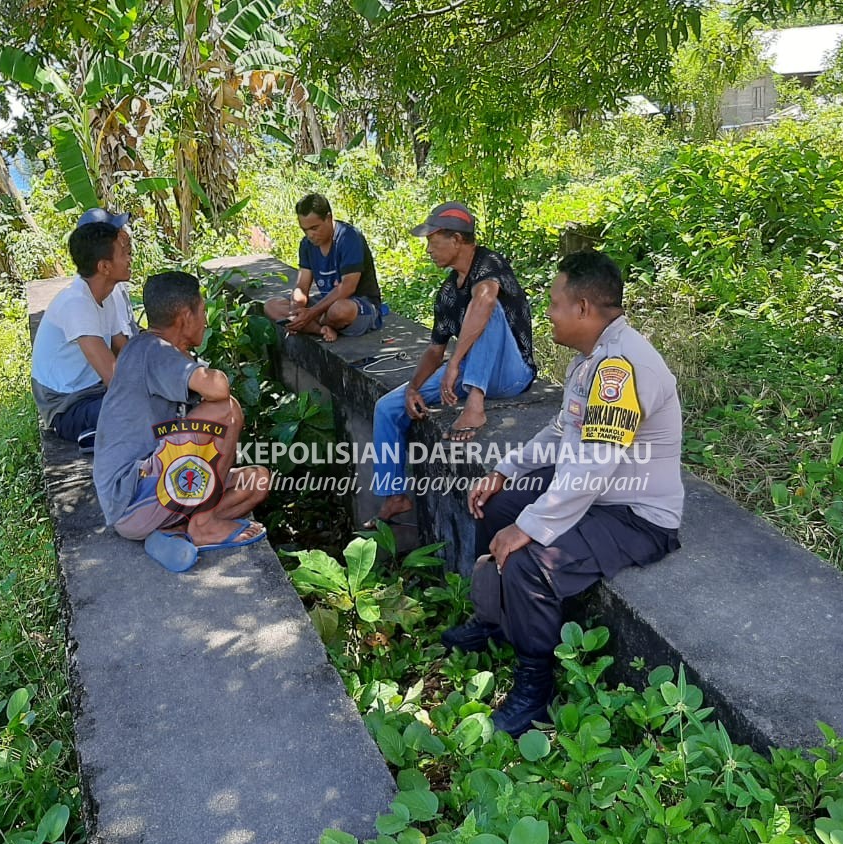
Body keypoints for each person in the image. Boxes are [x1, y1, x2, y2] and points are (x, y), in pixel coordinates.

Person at [448, 251, 684, 736]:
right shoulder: (592, 361)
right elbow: (562, 432)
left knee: (530, 559)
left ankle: (535, 687)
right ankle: (496, 619)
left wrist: (529, 526)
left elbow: (595, 468)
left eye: (554, 304)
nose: (546, 313)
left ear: (582, 308)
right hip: (595, 495)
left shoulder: (622, 368)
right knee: (492, 503)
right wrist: (505, 471)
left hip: (635, 514)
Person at [368, 201, 536, 526]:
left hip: (511, 372)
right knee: (387, 407)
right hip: (474, 369)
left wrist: (456, 362)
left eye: (433, 240)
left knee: (490, 307)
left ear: (457, 240)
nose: (428, 249)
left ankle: (475, 405)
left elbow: (485, 301)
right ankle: (395, 495)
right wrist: (413, 388)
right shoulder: (446, 292)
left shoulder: (491, 262)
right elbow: (434, 350)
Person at [93, 271, 269, 570]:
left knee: (258, 480)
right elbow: (218, 389)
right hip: (132, 495)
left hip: (158, 491)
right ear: (185, 317)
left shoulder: (155, 350)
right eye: (202, 311)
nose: (206, 320)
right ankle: (203, 523)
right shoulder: (153, 350)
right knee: (226, 410)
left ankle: (173, 533)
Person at [31, 208, 139, 448]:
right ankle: (94, 436)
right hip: (67, 406)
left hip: (92, 389)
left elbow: (124, 349)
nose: (130, 258)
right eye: (123, 253)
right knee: (143, 410)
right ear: (104, 267)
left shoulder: (106, 293)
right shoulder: (77, 304)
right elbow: (113, 376)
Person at [262, 193, 384, 342]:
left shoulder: (348, 238)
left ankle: (315, 323)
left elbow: (347, 287)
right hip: (325, 304)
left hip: (357, 305)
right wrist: (295, 312)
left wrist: (311, 313)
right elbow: (301, 286)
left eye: (314, 228)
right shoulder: (306, 245)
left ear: (328, 218)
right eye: (305, 230)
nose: (310, 235)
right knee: (271, 306)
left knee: (339, 311)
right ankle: (321, 330)